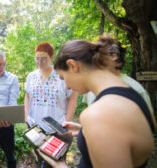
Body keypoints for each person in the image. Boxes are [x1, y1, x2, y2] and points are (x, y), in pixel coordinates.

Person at [49, 38, 155, 168]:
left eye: (63, 77)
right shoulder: (133, 94)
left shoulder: (100, 114)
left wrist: (60, 167)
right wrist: (84, 131)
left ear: (73, 65)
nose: (67, 87)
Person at [24, 42, 77, 167]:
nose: (40, 62)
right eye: (37, 58)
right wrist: (26, 117)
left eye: (43, 59)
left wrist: (66, 122)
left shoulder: (61, 76)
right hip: (35, 128)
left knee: (54, 163)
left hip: (57, 129)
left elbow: (73, 98)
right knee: (40, 160)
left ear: (52, 57)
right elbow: (27, 96)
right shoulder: (31, 76)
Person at [82, 35, 154, 114]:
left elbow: (147, 124)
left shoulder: (135, 89)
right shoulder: (93, 87)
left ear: (113, 56)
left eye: (98, 53)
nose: (93, 58)